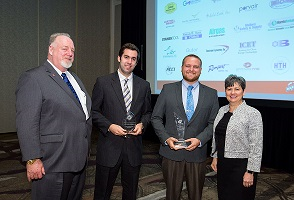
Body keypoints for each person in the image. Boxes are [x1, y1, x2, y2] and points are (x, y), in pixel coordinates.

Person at [15, 33, 92, 200]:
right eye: (64, 48)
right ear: (51, 49)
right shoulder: (33, 78)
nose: (70, 53)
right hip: (52, 163)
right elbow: (27, 122)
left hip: (78, 160)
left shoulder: (74, 79)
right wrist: (32, 159)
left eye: (72, 50)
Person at [151, 54, 219, 200]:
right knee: (172, 195)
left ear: (201, 70)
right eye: (188, 66)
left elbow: (213, 123)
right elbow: (155, 118)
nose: (191, 69)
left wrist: (200, 140)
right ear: (182, 68)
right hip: (171, 153)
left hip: (197, 154)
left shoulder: (211, 94)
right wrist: (166, 138)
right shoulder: (167, 89)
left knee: (196, 196)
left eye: (195, 67)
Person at [92, 43, 152, 200]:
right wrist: (110, 126)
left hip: (133, 148)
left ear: (136, 62)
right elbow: (94, 112)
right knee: (102, 193)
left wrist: (142, 124)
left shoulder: (144, 85)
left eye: (133, 59)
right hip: (109, 147)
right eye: (126, 57)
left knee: (131, 193)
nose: (129, 62)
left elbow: (147, 112)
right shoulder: (103, 82)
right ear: (119, 58)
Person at [210, 74, 263, 200]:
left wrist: (250, 172)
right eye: (229, 89)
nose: (232, 92)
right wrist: (215, 156)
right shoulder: (221, 110)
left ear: (243, 91)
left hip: (241, 167)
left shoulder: (253, 113)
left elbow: (256, 145)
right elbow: (217, 137)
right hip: (223, 164)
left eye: (237, 89)